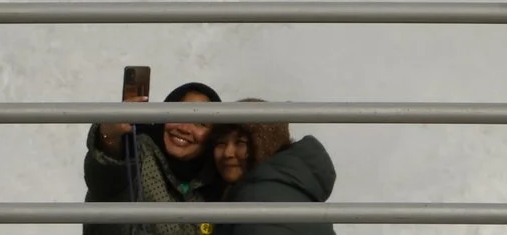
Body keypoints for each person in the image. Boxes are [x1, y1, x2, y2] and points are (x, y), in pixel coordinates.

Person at [83, 78, 221, 235]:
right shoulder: (136, 152)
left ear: (213, 135)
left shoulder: (216, 177)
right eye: (179, 115)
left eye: (200, 123)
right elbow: (105, 174)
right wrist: (108, 136)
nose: (184, 128)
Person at [205, 108, 339, 235]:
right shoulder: (284, 187)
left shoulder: (257, 199)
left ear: (266, 145)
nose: (227, 153)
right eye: (220, 143)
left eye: (240, 143)